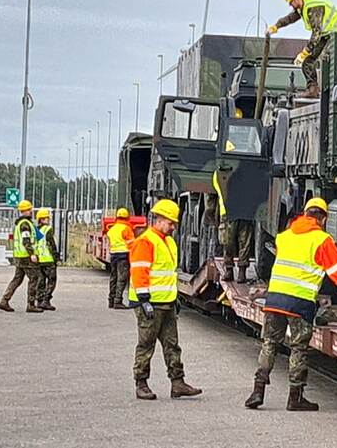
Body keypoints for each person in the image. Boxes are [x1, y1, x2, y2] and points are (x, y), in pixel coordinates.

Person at [245, 198, 337, 411]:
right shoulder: (322, 240)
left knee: (269, 343)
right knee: (298, 348)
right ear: (323, 218)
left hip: (274, 300)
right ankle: (295, 397)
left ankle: (257, 391)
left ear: (305, 214)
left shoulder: (284, 237)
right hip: (299, 303)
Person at [128, 199, 202, 401]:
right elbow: (139, 271)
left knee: (172, 344)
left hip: (167, 302)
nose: (173, 226)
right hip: (150, 303)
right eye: (170, 222)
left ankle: (177, 383)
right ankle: (141, 383)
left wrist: (175, 296)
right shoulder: (146, 241)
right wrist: (144, 300)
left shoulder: (168, 241)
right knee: (146, 344)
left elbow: (168, 273)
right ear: (159, 220)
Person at [267, 0, 337, 98]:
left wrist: (305, 52)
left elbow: (316, 33)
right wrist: (277, 26)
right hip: (329, 35)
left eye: (291, 2)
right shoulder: (303, 7)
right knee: (308, 62)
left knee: (325, 62)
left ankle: (324, 91)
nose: (291, 5)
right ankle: (313, 90)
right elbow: (291, 18)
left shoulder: (312, 7)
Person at [0, 200, 43, 313]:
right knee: (34, 278)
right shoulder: (25, 224)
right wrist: (32, 253)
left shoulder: (20, 223)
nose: (31, 211)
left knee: (17, 279)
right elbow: (26, 240)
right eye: (29, 209)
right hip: (26, 257)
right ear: (25, 210)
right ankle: (31, 305)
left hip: (19, 256)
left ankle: (4, 301)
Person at [212, 169, 253, 282]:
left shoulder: (220, 173)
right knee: (233, 242)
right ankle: (233, 270)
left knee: (239, 241)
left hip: (239, 211)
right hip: (231, 211)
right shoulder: (221, 173)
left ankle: (238, 271)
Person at [107, 207, 135, 309]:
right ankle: (118, 301)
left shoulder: (112, 229)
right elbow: (132, 244)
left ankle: (111, 300)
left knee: (113, 277)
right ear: (127, 217)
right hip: (123, 255)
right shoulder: (126, 229)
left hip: (113, 255)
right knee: (122, 278)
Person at [35, 208, 60, 311]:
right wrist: (56, 257)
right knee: (52, 281)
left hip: (39, 260)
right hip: (48, 259)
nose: (48, 220)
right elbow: (51, 244)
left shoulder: (36, 230)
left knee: (40, 281)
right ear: (41, 219)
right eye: (46, 218)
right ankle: (46, 300)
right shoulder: (48, 229)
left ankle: (39, 301)